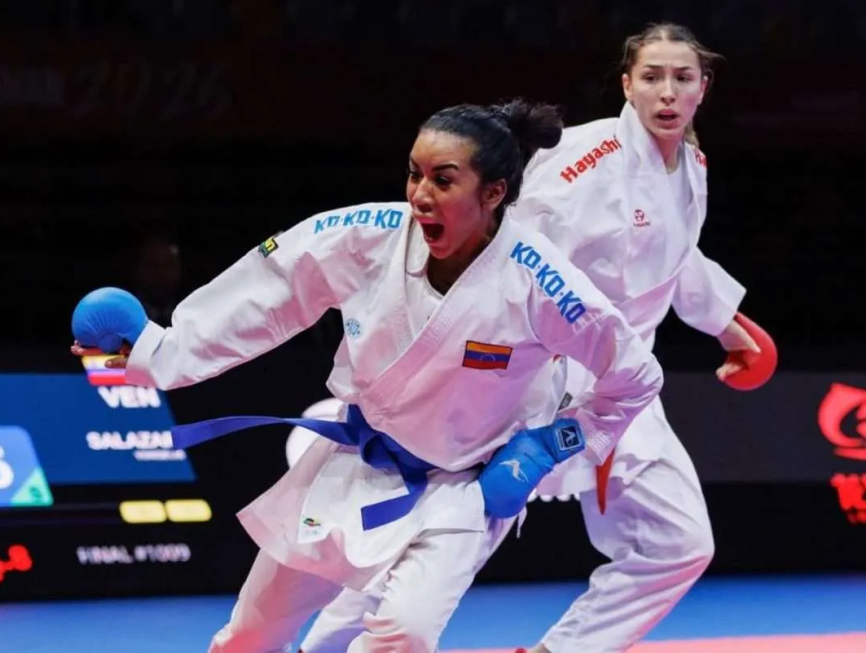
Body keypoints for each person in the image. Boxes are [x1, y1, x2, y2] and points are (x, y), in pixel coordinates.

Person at [70, 99, 665, 653]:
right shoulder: (367, 236)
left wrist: (546, 447)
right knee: (252, 631)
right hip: (354, 464)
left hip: (462, 491)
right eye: (414, 173)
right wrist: (158, 350)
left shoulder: (540, 280)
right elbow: (265, 296)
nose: (420, 195)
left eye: (443, 179)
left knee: (401, 634)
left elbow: (635, 375)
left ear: (494, 193)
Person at [297, 22, 773, 653]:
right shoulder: (581, 163)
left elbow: (676, 258)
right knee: (451, 534)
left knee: (677, 544)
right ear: (627, 84)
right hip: (538, 376)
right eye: (652, 77)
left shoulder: (692, 164)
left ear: (702, 87)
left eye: (681, 78)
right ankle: (320, 647)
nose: (666, 92)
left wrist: (729, 324)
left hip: (624, 382)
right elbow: (497, 243)